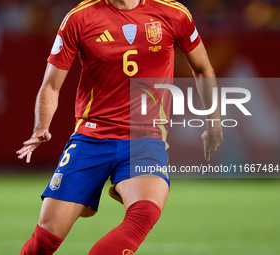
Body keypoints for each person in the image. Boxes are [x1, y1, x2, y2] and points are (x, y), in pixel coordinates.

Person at [16, 0, 223, 254]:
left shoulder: (174, 14)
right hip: (90, 138)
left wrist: (214, 121)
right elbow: (51, 85)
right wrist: (42, 126)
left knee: (144, 213)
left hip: (146, 138)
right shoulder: (79, 18)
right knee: (45, 241)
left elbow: (202, 69)